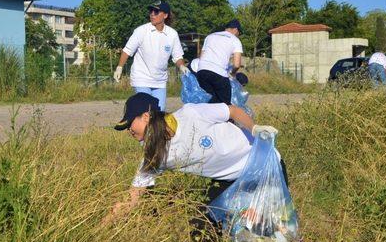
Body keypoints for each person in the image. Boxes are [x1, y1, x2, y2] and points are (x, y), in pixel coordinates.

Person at [108, 92, 279, 225]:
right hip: (229, 180)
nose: (129, 130)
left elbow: (232, 111)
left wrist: (254, 128)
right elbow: (133, 197)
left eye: (130, 124)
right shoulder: (154, 155)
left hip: (264, 165)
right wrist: (101, 227)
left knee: (270, 229)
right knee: (203, 225)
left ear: (146, 116)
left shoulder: (191, 114)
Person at [112, 0, 188, 111]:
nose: (152, 14)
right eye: (151, 11)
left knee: (159, 113)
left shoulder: (172, 34)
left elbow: (177, 56)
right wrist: (119, 67)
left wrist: (182, 66)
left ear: (165, 15)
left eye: (156, 11)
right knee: (146, 111)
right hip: (141, 78)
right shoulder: (141, 31)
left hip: (160, 81)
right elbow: (127, 51)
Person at [195, 19, 244, 104]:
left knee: (209, 101)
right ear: (236, 30)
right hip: (218, 73)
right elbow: (237, 64)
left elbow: (201, 57)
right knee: (225, 105)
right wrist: (232, 73)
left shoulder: (210, 36)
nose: (238, 35)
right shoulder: (235, 40)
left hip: (201, 71)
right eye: (239, 33)